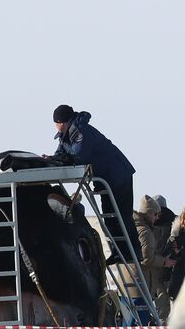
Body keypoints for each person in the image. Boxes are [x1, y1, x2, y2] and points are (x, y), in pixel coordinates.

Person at [47, 104, 141, 262]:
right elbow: (62, 154)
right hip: (108, 179)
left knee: (121, 215)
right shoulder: (67, 135)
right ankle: (119, 251)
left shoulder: (82, 132)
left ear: (60, 122)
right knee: (110, 217)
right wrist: (52, 159)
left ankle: (133, 251)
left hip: (118, 176)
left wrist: (61, 160)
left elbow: (78, 156)